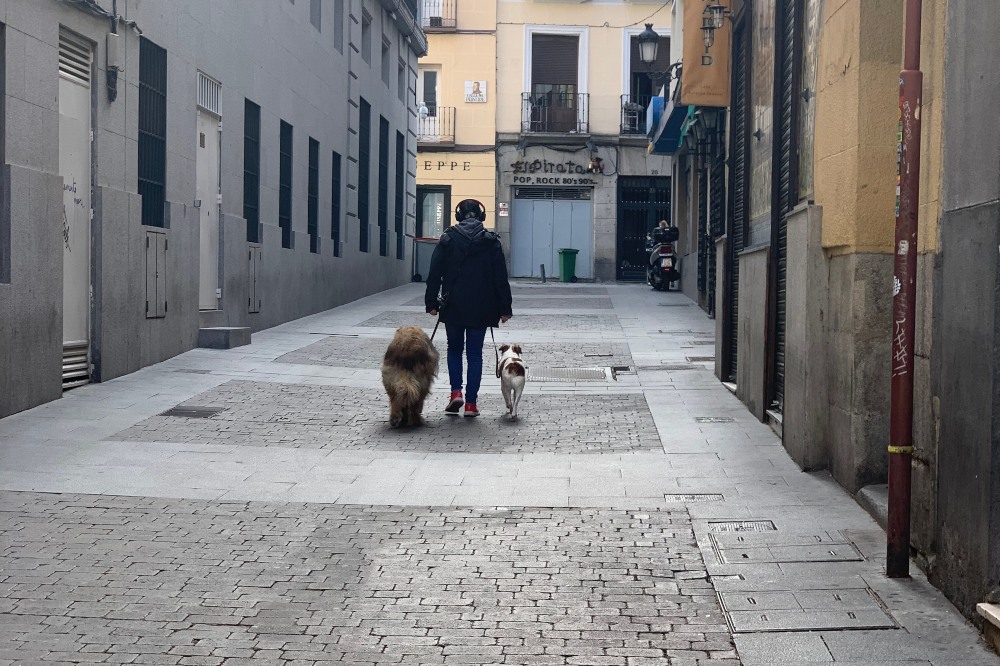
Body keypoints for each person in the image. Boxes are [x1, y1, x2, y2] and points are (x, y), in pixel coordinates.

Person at [425, 199, 513, 417]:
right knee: (474, 354)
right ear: (481, 216)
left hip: (453, 305)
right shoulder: (492, 242)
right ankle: (472, 404)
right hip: (482, 307)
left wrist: (431, 303)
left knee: (454, 349)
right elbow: (500, 278)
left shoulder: (447, 239)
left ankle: (456, 393)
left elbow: (434, 273)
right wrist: (505, 308)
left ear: (458, 216)